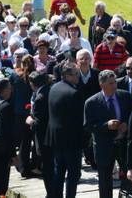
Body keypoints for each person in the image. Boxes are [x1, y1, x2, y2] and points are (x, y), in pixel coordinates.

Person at [84, 68, 132, 198]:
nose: (115, 85)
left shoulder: (125, 96)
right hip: (104, 147)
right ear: (102, 84)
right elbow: (88, 126)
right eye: (111, 83)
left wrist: (127, 124)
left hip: (123, 145)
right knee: (105, 181)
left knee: (129, 177)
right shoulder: (91, 103)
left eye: (115, 82)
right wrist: (106, 126)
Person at [47, 63, 85, 198]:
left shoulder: (54, 88)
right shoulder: (74, 93)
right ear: (67, 76)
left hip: (56, 138)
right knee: (73, 174)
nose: (78, 76)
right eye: (76, 74)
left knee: (59, 171)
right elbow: (80, 120)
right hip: (71, 140)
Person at [27, 71, 53, 196]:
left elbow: (39, 122)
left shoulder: (39, 98)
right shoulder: (50, 90)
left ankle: (51, 194)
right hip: (54, 136)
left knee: (47, 168)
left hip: (44, 138)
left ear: (32, 84)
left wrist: (30, 121)